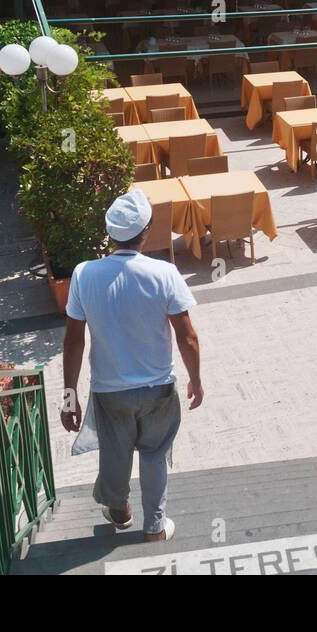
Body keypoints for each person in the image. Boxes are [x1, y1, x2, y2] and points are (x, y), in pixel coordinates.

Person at [60, 189, 203, 543]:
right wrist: (196, 381)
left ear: (109, 233)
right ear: (147, 230)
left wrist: (69, 394)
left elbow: (73, 340)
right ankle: (154, 528)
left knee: (115, 452)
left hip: (109, 391)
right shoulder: (165, 273)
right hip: (157, 389)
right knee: (154, 455)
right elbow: (188, 337)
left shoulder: (83, 274)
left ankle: (120, 510)